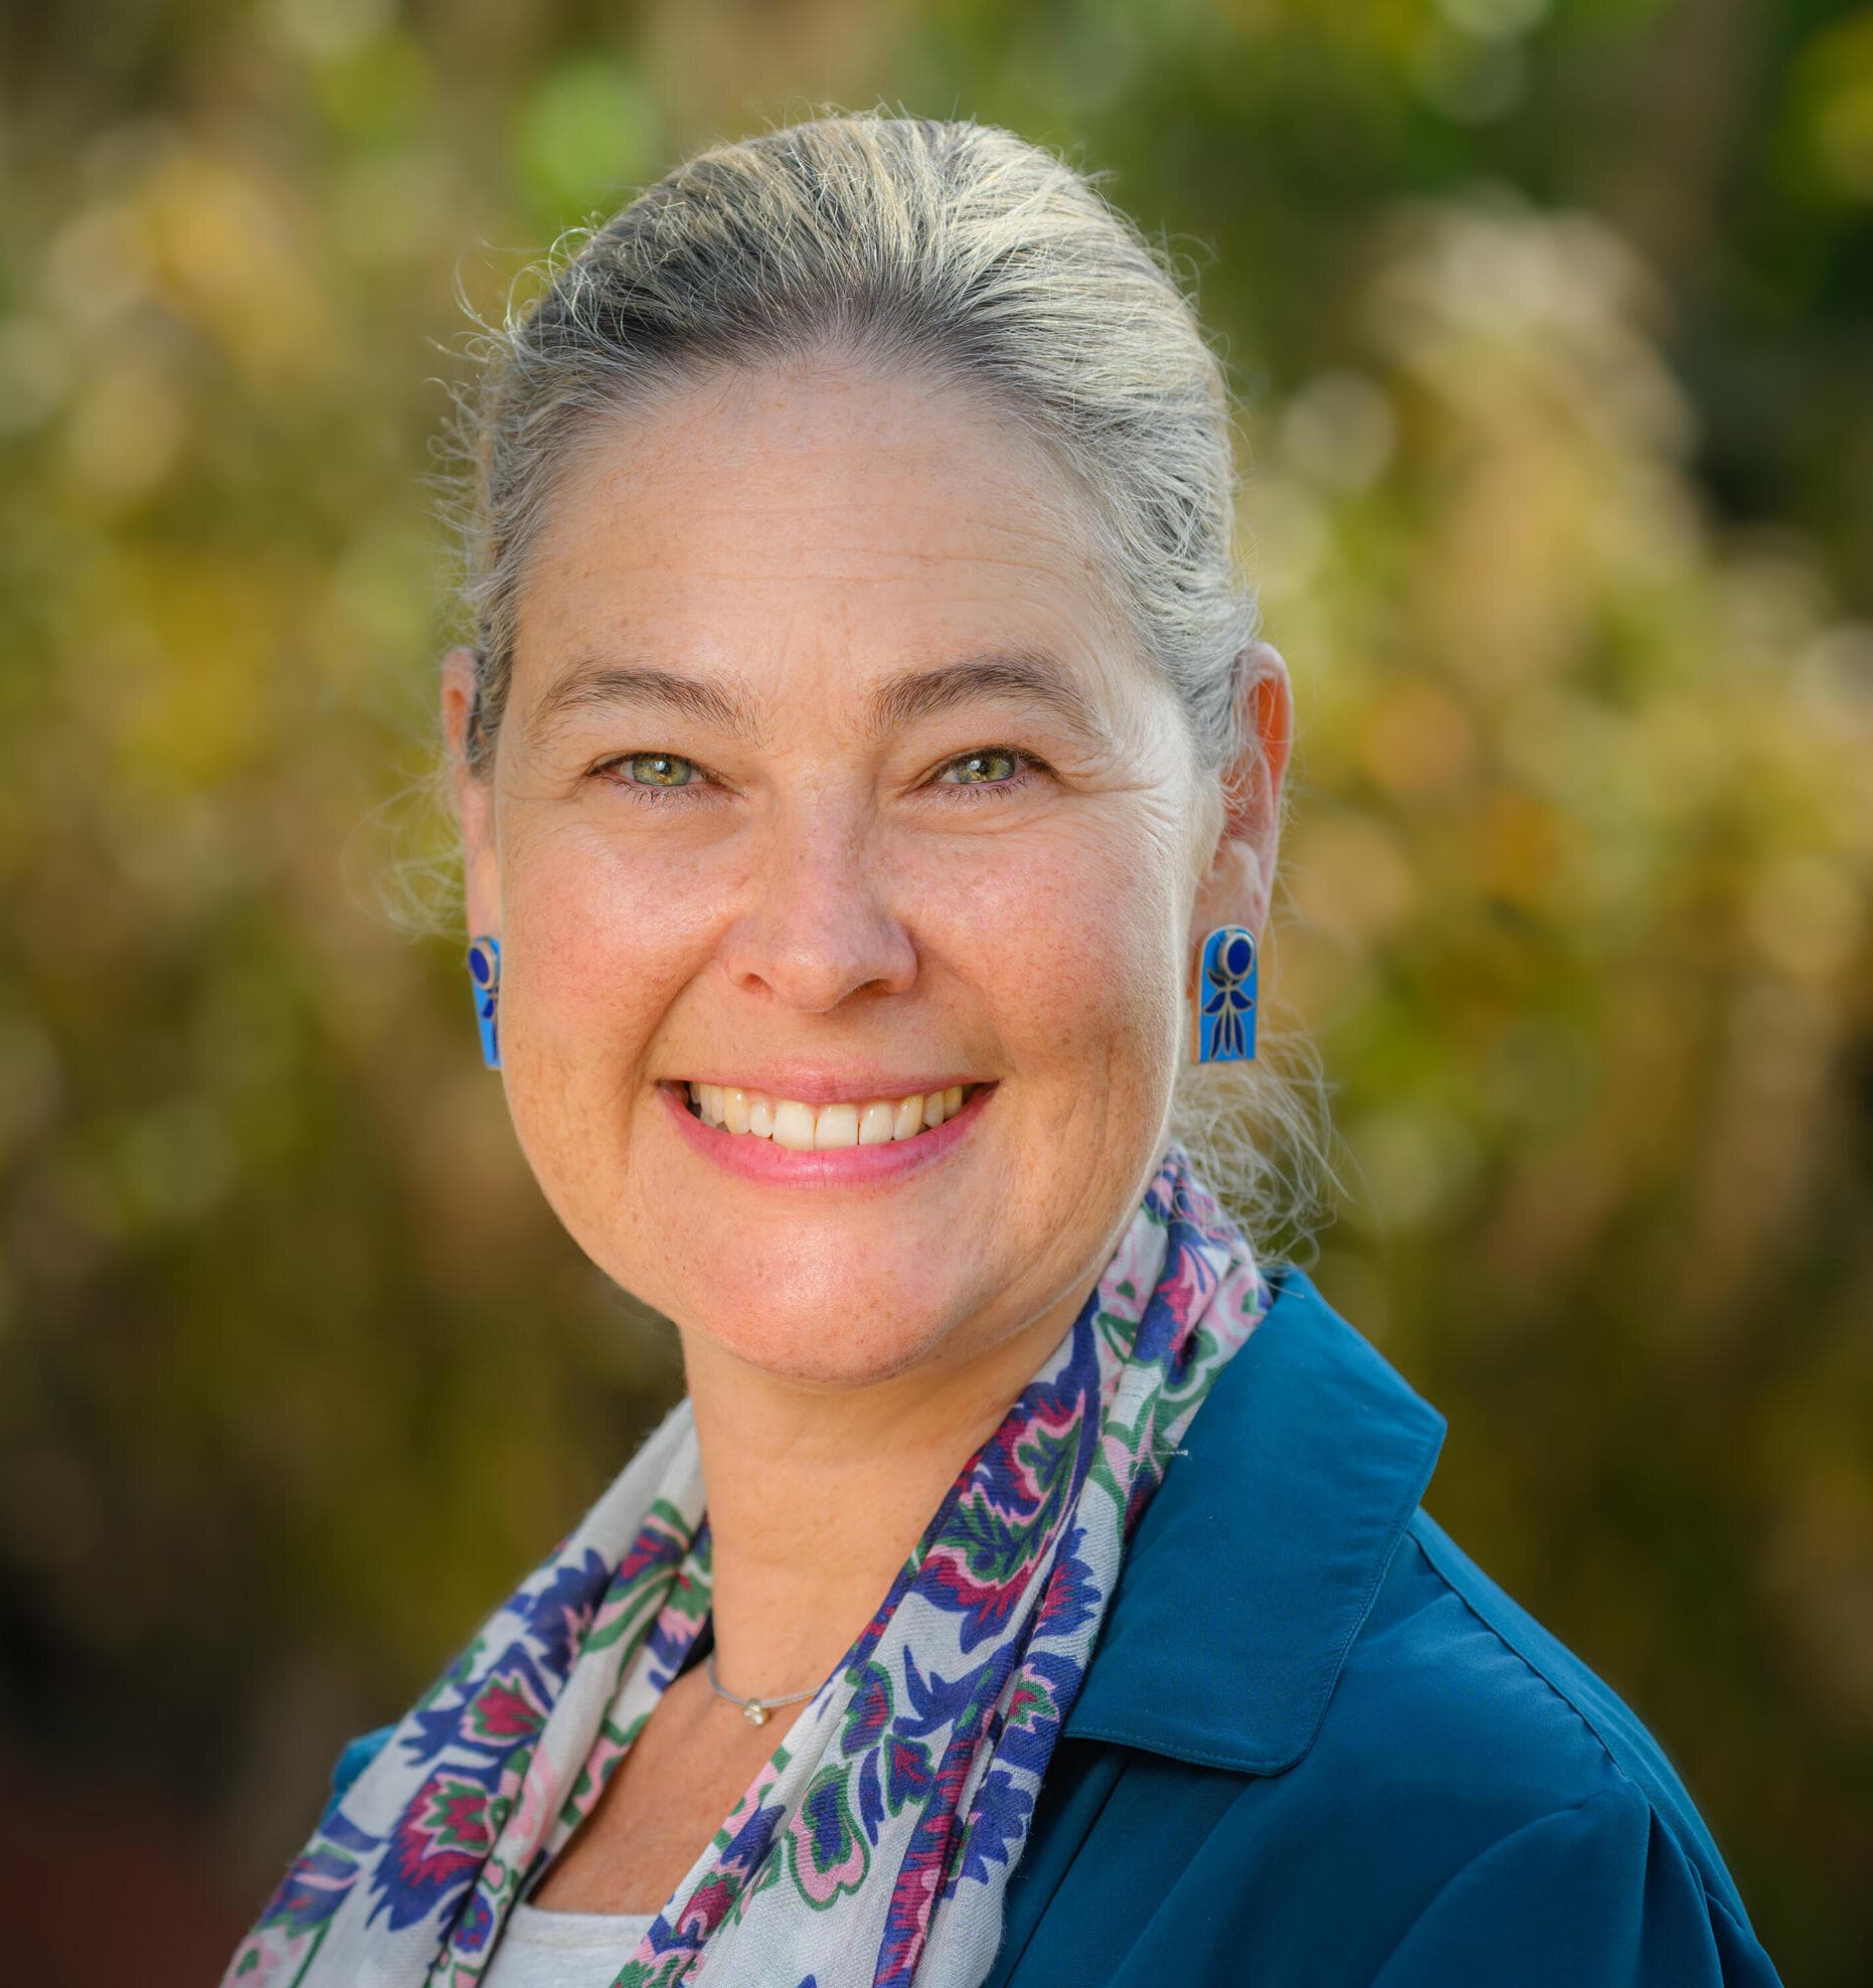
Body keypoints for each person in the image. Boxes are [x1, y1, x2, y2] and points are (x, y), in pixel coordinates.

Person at [222, 113, 1782, 1988]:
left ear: (1236, 815)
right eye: (661, 765)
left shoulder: (1474, 1869)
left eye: (978, 764)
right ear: (485, 826)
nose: (818, 946)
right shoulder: (427, 1821)